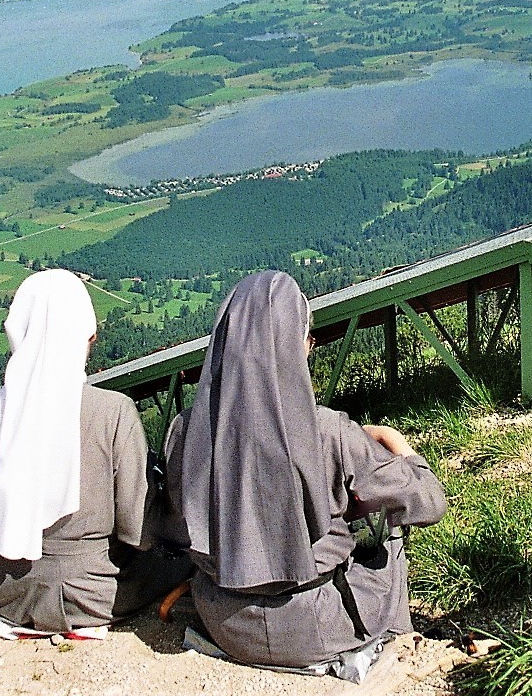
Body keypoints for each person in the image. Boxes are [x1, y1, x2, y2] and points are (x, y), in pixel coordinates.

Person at [154, 270, 447, 680]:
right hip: (317, 626)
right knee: (390, 530)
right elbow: (429, 503)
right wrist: (398, 446)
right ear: (298, 343)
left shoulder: (183, 431)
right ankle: (397, 635)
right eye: (308, 337)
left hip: (225, 622)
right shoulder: (329, 431)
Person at [0, 268, 190, 640]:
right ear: (88, 336)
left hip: (4, 592)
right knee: (178, 560)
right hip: (91, 596)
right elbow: (140, 531)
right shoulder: (112, 412)